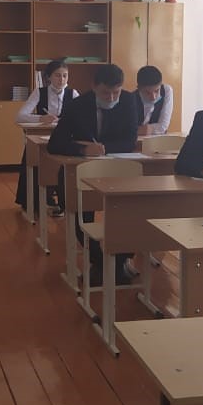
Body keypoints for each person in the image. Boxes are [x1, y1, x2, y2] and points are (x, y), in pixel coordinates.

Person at [48, 64, 139, 284]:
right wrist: (82, 150)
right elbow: (55, 144)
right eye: (105, 93)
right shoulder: (77, 105)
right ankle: (103, 263)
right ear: (93, 87)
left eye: (116, 92)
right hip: (82, 172)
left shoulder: (128, 101)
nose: (111, 98)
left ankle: (117, 262)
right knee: (80, 216)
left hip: (118, 172)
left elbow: (130, 141)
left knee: (132, 215)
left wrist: (104, 149)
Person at [14, 58, 78, 215]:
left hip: (63, 140)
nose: (61, 79)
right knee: (36, 164)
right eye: (57, 75)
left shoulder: (73, 94)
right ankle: (32, 204)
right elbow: (20, 116)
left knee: (61, 168)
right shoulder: (40, 92)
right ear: (49, 77)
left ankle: (62, 203)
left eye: (65, 75)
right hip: (39, 139)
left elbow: (83, 117)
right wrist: (41, 118)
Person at [133, 65, 174, 137]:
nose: (153, 97)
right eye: (148, 93)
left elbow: (163, 126)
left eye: (156, 91)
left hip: (158, 139)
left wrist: (146, 129)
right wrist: (155, 128)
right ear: (139, 88)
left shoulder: (166, 91)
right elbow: (128, 130)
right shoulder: (131, 99)